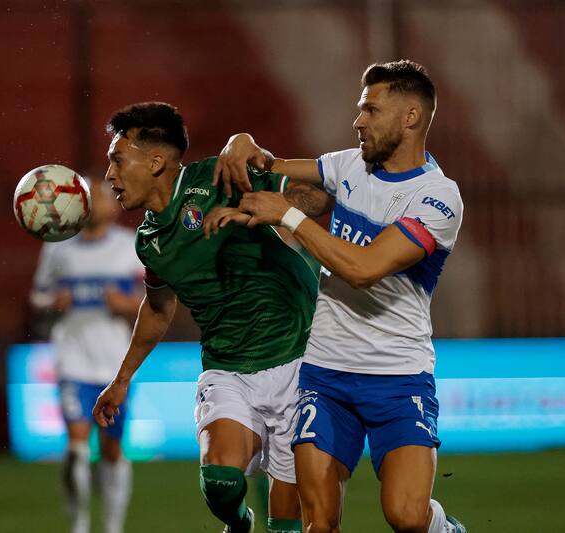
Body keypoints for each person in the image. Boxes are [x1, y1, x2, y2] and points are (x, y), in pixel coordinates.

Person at [212, 60, 467, 533]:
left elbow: (363, 269)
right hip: (324, 375)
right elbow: (268, 164)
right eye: (359, 109)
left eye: (370, 109)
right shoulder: (348, 165)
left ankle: (445, 528)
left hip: (399, 377)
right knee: (320, 524)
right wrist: (241, 144)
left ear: (410, 117)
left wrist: (287, 216)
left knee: (407, 516)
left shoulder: (437, 197)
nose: (358, 121)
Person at [92, 102, 328, 533]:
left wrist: (270, 206)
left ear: (156, 160)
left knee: (289, 526)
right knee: (220, 482)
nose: (109, 175)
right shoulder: (149, 240)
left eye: (116, 160)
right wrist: (122, 379)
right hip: (227, 368)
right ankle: (239, 524)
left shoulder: (220, 178)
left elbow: (318, 197)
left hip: (300, 360)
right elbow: (160, 308)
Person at [30, 179, 143, 533]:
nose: (95, 204)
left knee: (112, 451)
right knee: (77, 447)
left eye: (103, 197)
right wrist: (53, 304)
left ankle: (112, 527)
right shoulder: (58, 247)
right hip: (72, 358)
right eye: (88, 198)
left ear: (114, 206)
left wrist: (125, 305)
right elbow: (38, 297)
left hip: (115, 363)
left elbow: (152, 301)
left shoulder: (130, 247)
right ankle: (79, 525)